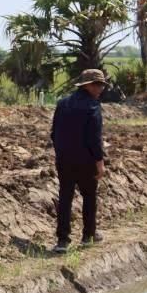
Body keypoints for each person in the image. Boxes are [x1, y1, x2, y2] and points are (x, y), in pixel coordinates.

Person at [51, 68, 109, 254]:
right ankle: (88, 235)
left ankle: (62, 240)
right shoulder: (92, 106)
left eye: (102, 85)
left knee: (65, 197)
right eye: (98, 85)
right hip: (86, 160)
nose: (101, 89)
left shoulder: (63, 104)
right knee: (89, 196)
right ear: (88, 85)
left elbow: (54, 133)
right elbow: (94, 138)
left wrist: (61, 152)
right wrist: (99, 162)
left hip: (64, 158)